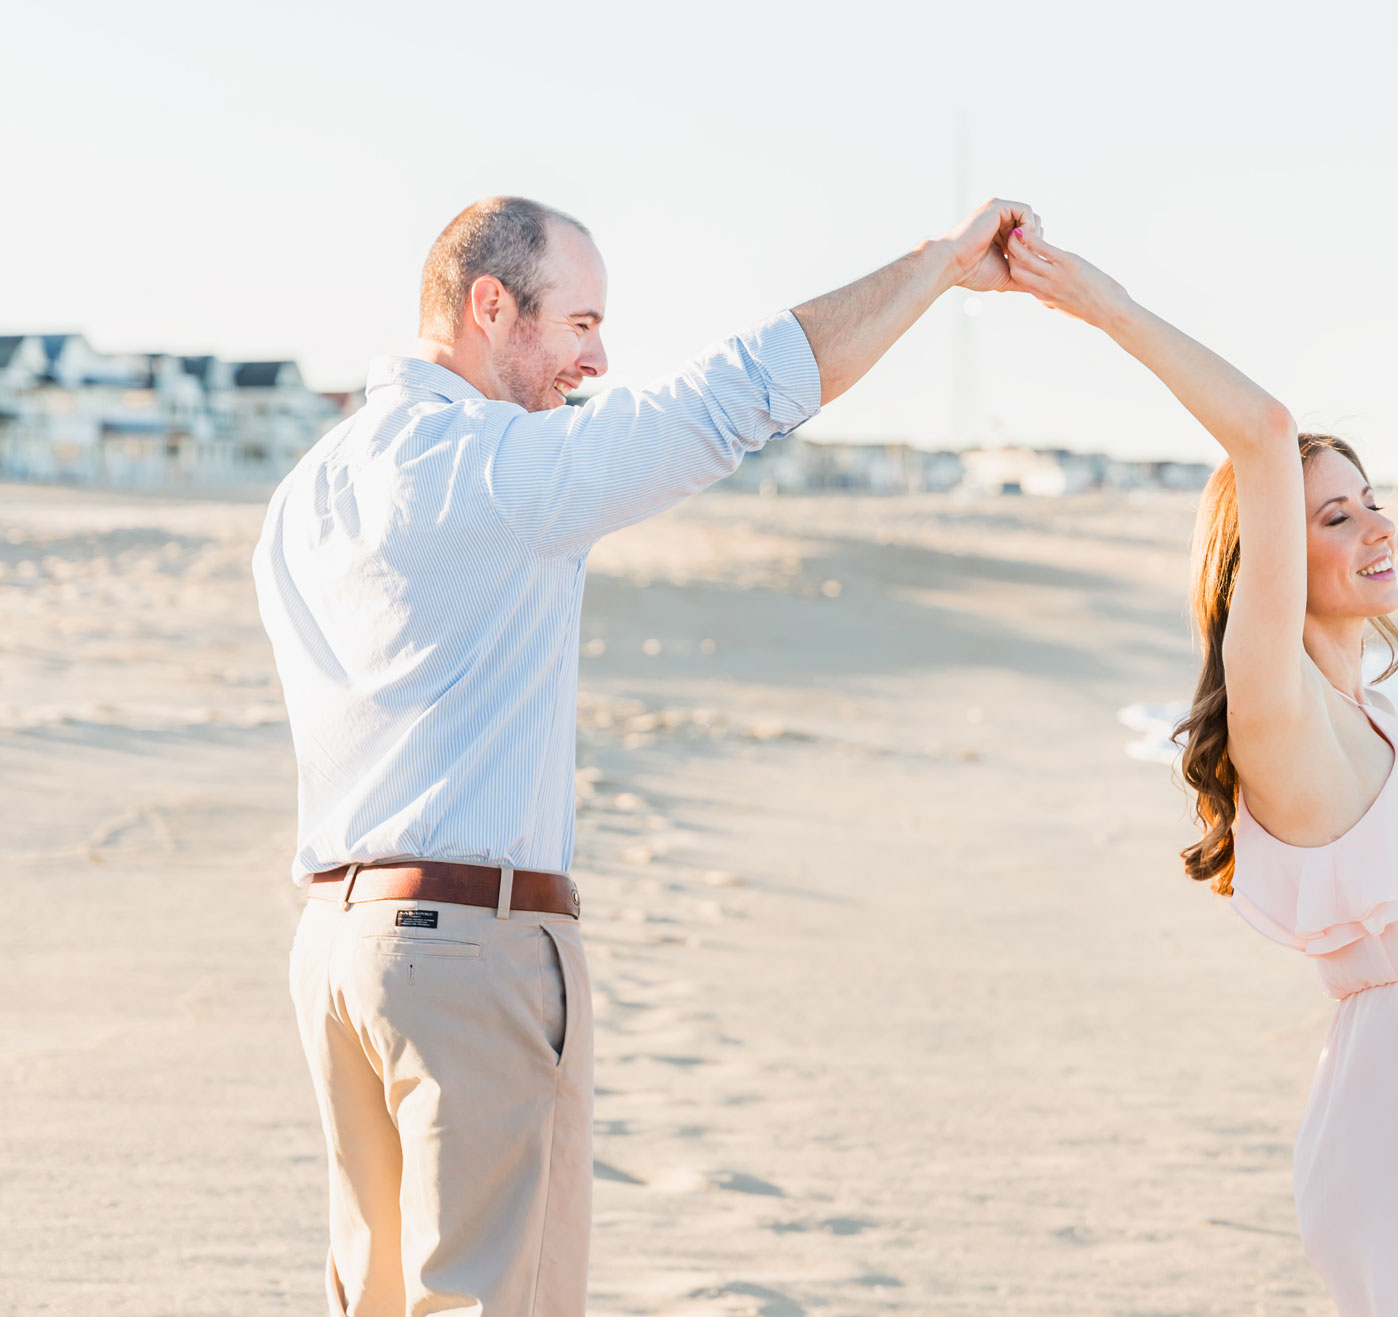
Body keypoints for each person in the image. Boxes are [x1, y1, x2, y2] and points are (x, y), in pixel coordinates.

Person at [253, 194, 1041, 1315]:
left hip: (339, 953)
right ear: (490, 306)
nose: (598, 356)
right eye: (577, 323)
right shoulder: (487, 465)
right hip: (469, 954)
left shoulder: (306, 493)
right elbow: (734, 398)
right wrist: (932, 269)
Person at [1006, 227, 1398, 1315]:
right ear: (1268, 563)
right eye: (1331, 516)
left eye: (1369, 499)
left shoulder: (1381, 725)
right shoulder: (1279, 713)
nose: (1375, 526)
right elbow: (1259, 430)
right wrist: (1101, 302)